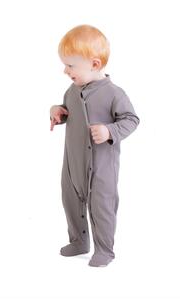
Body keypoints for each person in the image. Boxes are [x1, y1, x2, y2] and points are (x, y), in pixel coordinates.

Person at [50, 25, 139, 267]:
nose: (65, 70)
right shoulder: (73, 89)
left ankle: (105, 250)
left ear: (95, 64)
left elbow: (131, 120)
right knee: (71, 201)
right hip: (73, 163)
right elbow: (70, 111)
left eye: (70, 65)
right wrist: (57, 112)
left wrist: (110, 130)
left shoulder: (113, 93)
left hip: (101, 167)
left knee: (102, 207)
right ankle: (79, 241)